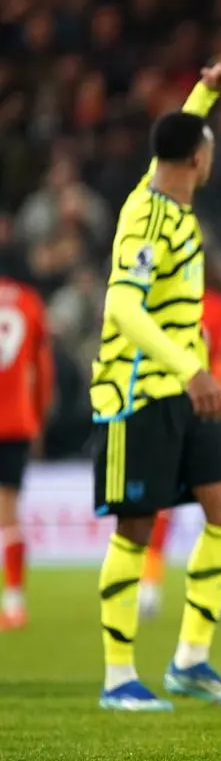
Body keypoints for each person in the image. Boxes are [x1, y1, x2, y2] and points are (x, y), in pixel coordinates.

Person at [90, 62, 221, 712]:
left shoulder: (170, 197)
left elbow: (183, 130)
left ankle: (190, 659)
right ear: (196, 159)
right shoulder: (146, 220)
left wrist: (206, 91)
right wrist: (189, 368)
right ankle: (117, 677)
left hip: (187, 394)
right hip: (139, 394)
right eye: (208, 145)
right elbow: (123, 309)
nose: (211, 154)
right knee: (135, 526)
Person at [139, 286, 221, 623]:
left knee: (162, 507)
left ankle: (149, 589)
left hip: (168, 413)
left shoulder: (156, 300)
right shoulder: (218, 306)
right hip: (209, 417)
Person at [0, 268, 52, 631]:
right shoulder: (29, 301)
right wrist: (38, 415)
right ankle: (15, 602)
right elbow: (42, 368)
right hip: (15, 420)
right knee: (8, 511)